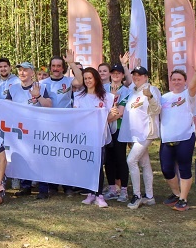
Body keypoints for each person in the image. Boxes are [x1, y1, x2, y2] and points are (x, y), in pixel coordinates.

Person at [159, 59, 196, 212]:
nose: (176, 82)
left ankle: (183, 199)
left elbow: (193, 87)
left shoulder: (188, 95)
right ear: (170, 81)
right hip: (167, 139)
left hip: (185, 137)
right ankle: (176, 194)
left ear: (184, 81)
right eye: (174, 79)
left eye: (180, 79)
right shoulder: (164, 97)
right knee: (166, 169)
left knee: (184, 168)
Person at [69, 64, 117, 208]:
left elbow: (110, 117)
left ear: (96, 79)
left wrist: (112, 114)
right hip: (85, 136)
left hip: (100, 136)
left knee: (98, 165)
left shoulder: (107, 97)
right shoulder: (79, 96)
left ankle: (99, 195)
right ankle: (90, 193)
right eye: (85, 78)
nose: (88, 81)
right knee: (88, 165)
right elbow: (76, 116)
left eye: (90, 78)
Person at [6, 62, 53, 199]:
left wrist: (38, 96)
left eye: (25, 70)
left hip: (38, 129)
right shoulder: (13, 88)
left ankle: (43, 189)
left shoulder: (41, 87)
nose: (22, 72)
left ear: (32, 73)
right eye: (20, 70)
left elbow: (49, 105)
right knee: (23, 158)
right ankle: (25, 186)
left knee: (40, 158)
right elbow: (6, 107)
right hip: (21, 130)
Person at [119, 66, 162, 209]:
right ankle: (149, 196)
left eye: (140, 75)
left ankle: (136, 195)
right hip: (135, 134)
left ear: (146, 77)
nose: (136, 77)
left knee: (131, 160)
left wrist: (150, 97)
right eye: (134, 75)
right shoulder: (133, 91)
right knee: (145, 163)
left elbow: (157, 110)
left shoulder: (151, 89)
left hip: (146, 131)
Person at [102, 64, 132, 202]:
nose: (115, 75)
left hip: (119, 128)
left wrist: (106, 119)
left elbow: (120, 112)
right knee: (108, 159)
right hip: (105, 128)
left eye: (118, 73)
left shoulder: (126, 91)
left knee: (120, 158)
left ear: (122, 75)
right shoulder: (103, 88)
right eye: (113, 73)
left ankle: (124, 190)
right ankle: (112, 188)